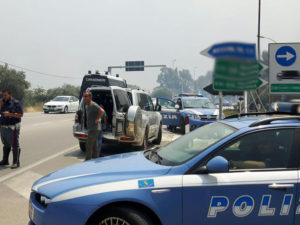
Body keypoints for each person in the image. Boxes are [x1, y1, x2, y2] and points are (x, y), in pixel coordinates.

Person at [0, 90, 23, 169]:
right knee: (5, 144)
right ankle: (5, 160)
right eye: (3, 95)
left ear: (10, 95)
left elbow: (20, 114)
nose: (4, 97)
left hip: (12, 127)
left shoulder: (16, 103)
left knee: (14, 144)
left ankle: (16, 162)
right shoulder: (3, 103)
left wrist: (9, 114)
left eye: (5, 95)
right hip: (3, 127)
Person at [83, 91, 104, 160]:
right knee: (94, 146)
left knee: (89, 145)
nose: (84, 98)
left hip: (94, 128)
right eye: (84, 96)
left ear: (90, 97)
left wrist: (97, 119)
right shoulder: (87, 105)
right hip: (91, 128)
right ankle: (96, 158)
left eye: (86, 96)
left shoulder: (93, 104)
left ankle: (87, 160)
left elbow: (102, 111)